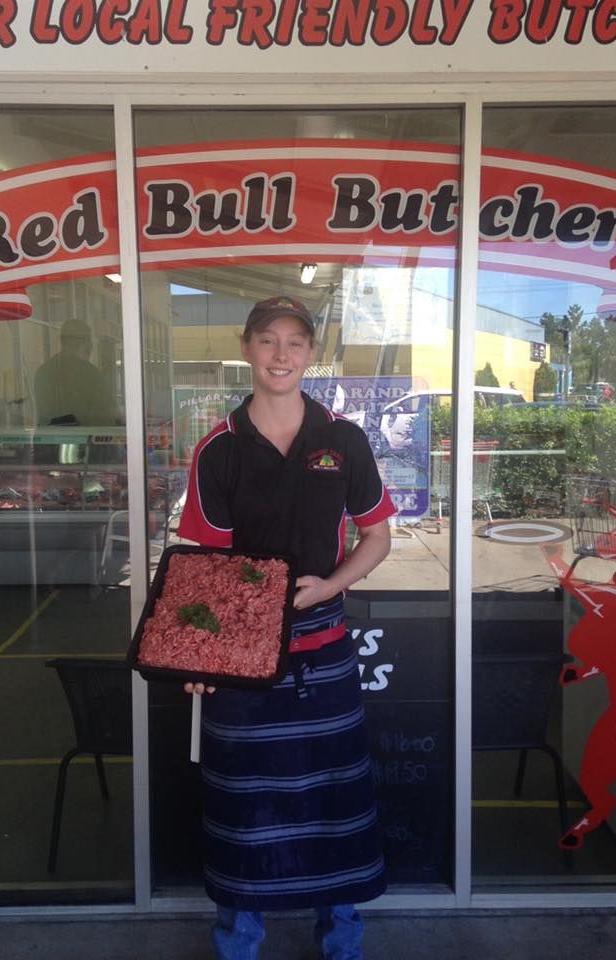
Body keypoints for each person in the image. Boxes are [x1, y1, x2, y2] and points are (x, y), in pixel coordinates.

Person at [177, 295, 397, 960]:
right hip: (243, 658)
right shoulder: (218, 450)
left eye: (295, 342)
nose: (281, 354)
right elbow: (204, 566)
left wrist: (331, 584)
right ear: (246, 348)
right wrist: (198, 653)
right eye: (268, 340)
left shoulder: (343, 439)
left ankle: (342, 942)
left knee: (335, 801)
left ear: (310, 353)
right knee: (245, 810)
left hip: (325, 654)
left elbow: (378, 536)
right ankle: (238, 944)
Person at [34, 317, 116, 427]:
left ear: (61, 341)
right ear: (86, 343)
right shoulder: (91, 375)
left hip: (51, 440)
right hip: (84, 440)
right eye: (89, 340)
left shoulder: (43, 372)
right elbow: (107, 416)